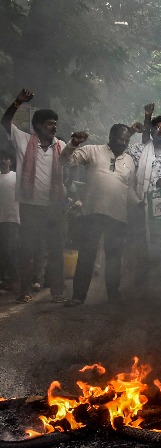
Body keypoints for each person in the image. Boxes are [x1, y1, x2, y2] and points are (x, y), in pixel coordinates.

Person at [1, 88, 67, 304]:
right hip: (29, 206)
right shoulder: (23, 140)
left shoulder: (61, 146)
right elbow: (5, 121)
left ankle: (58, 291)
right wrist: (17, 102)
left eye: (55, 123)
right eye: (50, 123)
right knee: (26, 249)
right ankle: (25, 290)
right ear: (38, 126)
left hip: (53, 207)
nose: (54, 126)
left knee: (55, 249)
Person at [58, 124, 136, 306]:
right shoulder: (92, 151)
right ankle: (78, 296)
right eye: (120, 139)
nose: (123, 143)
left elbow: (130, 189)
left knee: (114, 258)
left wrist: (139, 203)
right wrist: (73, 144)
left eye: (126, 140)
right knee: (87, 255)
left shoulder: (130, 161)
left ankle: (113, 296)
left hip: (118, 216)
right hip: (92, 213)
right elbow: (65, 161)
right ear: (110, 137)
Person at [126, 100, 161, 291]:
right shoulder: (139, 151)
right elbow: (129, 180)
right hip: (140, 207)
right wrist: (136, 201)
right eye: (157, 128)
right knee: (140, 249)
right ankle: (141, 288)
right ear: (151, 132)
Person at [0, 147, 19, 291]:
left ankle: (13, 278)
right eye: (1, 158)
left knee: (9, 249)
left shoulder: (16, 177)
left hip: (12, 218)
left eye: (5, 158)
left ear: (10, 161)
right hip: (1, 219)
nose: (3, 161)